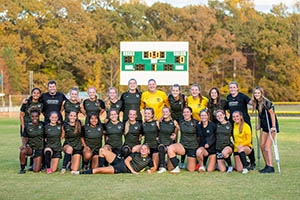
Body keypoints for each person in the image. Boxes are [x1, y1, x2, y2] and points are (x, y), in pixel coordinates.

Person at [226, 81, 255, 170]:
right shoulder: (228, 97)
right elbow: (227, 109)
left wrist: (256, 98)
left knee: (247, 142)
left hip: (244, 122)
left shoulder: (242, 96)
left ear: (237, 88)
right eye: (230, 87)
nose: (232, 89)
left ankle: (252, 162)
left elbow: (252, 103)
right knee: (236, 139)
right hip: (233, 123)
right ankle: (242, 159)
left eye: (234, 87)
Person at [73, 144, 155, 175]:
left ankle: (78, 173)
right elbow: (126, 161)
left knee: (98, 171)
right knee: (102, 150)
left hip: (123, 168)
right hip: (122, 162)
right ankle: (100, 166)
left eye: (145, 149)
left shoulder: (149, 160)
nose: (143, 150)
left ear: (148, 151)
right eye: (142, 149)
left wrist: (149, 170)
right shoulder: (135, 154)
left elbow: (153, 167)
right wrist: (133, 171)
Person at [252, 86, 279, 173]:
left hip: (271, 126)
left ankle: (271, 167)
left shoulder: (266, 103)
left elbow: (272, 114)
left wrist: (273, 126)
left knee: (267, 147)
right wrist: (259, 124)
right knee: (262, 145)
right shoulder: (256, 103)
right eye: (255, 93)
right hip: (264, 127)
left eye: (258, 93)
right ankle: (267, 165)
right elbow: (260, 115)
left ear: (261, 93)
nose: (257, 94)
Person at [167, 107, 199, 173]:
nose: (186, 114)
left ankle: (195, 161)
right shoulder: (180, 121)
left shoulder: (196, 122)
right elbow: (170, 119)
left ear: (191, 113)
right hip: (183, 146)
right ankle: (176, 167)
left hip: (192, 147)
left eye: (188, 112)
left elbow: (199, 136)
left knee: (191, 169)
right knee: (170, 148)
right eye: (184, 112)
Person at [19, 88, 43, 171]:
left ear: (40, 94)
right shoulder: (27, 102)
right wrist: (23, 126)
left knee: (35, 143)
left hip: (36, 127)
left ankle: (32, 164)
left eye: (38, 93)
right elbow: (21, 114)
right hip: (27, 126)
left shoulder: (41, 103)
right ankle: (23, 166)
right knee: (26, 145)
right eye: (34, 93)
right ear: (31, 93)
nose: (36, 94)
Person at [19, 108, 44, 173]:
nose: (34, 118)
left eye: (36, 116)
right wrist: (24, 145)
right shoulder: (27, 126)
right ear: (30, 116)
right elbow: (25, 137)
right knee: (23, 151)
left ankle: (35, 162)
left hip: (39, 148)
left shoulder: (43, 124)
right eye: (32, 116)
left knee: (36, 170)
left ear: (39, 116)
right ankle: (22, 168)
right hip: (30, 147)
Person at [168, 84, 187, 169]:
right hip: (174, 120)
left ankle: (182, 161)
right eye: (173, 90)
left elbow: (187, 109)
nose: (175, 92)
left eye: (176, 90)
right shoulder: (169, 98)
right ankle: (173, 159)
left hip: (182, 120)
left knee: (183, 139)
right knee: (173, 139)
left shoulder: (184, 98)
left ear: (179, 91)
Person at [157, 107, 179, 173]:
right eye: (163, 112)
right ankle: (162, 167)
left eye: (166, 112)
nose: (164, 113)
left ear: (169, 113)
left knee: (170, 168)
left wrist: (175, 135)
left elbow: (177, 132)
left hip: (170, 145)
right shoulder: (159, 122)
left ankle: (175, 161)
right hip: (162, 144)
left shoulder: (174, 122)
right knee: (161, 147)